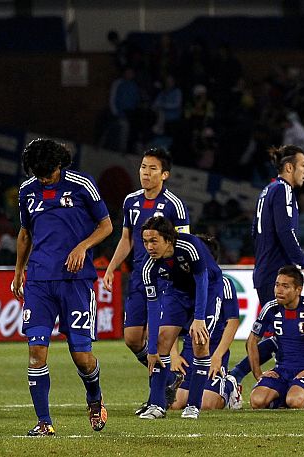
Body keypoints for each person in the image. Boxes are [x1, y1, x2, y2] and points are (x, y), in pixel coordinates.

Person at [12, 139, 113, 436]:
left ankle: (94, 397)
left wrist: (83, 246)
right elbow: (25, 234)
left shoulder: (82, 184)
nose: (43, 179)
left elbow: (106, 225)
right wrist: (19, 272)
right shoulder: (27, 191)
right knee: (36, 351)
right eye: (38, 174)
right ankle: (44, 422)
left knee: (81, 356)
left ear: (60, 164)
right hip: (40, 280)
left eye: (48, 174)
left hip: (76, 281)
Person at [102, 147, 190, 415]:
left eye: (152, 168)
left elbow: (184, 244)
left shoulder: (174, 205)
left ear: (165, 174)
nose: (146, 173)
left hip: (164, 280)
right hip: (139, 278)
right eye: (143, 167)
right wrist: (111, 267)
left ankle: (157, 400)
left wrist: (178, 276)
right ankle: (169, 378)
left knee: (156, 339)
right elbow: (126, 239)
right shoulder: (131, 201)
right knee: (131, 339)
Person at [229, 145, 304, 388]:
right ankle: (236, 375)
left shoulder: (268, 190)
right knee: (283, 332)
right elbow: (285, 231)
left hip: (266, 269)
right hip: (277, 273)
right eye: (302, 166)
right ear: (289, 167)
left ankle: (263, 378)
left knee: (281, 331)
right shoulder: (283, 191)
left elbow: (257, 234)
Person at [139, 216, 224, 420]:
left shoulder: (189, 245)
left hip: (208, 292)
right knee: (162, 342)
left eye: (153, 241)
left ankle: (193, 405)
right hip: (178, 294)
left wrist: (199, 317)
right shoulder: (148, 266)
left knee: (199, 343)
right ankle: (157, 405)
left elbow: (202, 280)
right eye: (145, 241)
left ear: (168, 239)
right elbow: (152, 306)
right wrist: (151, 350)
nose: (149, 247)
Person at [248, 265, 304, 409]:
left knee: (295, 402)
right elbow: (252, 340)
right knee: (257, 401)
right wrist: (258, 373)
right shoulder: (270, 308)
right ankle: (283, 398)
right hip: (281, 371)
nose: (279, 290)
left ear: (298, 290)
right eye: (277, 285)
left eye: (285, 286)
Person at [169, 234, 241, 411]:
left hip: (213, 351)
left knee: (207, 404)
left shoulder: (224, 284)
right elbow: (170, 323)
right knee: (176, 403)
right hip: (187, 355)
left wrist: (217, 356)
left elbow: (232, 322)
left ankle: (230, 385)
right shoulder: (183, 283)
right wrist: (173, 355)